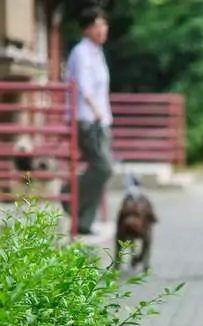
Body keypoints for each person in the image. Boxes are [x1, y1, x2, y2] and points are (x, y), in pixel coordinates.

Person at [63, 5, 113, 236]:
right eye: (97, 25)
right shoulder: (81, 52)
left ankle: (84, 221)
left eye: (104, 24)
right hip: (86, 119)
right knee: (103, 168)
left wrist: (104, 115)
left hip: (102, 120)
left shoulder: (97, 52)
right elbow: (82, 85)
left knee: (101, 169)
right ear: (86, 29)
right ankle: (68, 193)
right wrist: (95, 110)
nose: (102, 29)